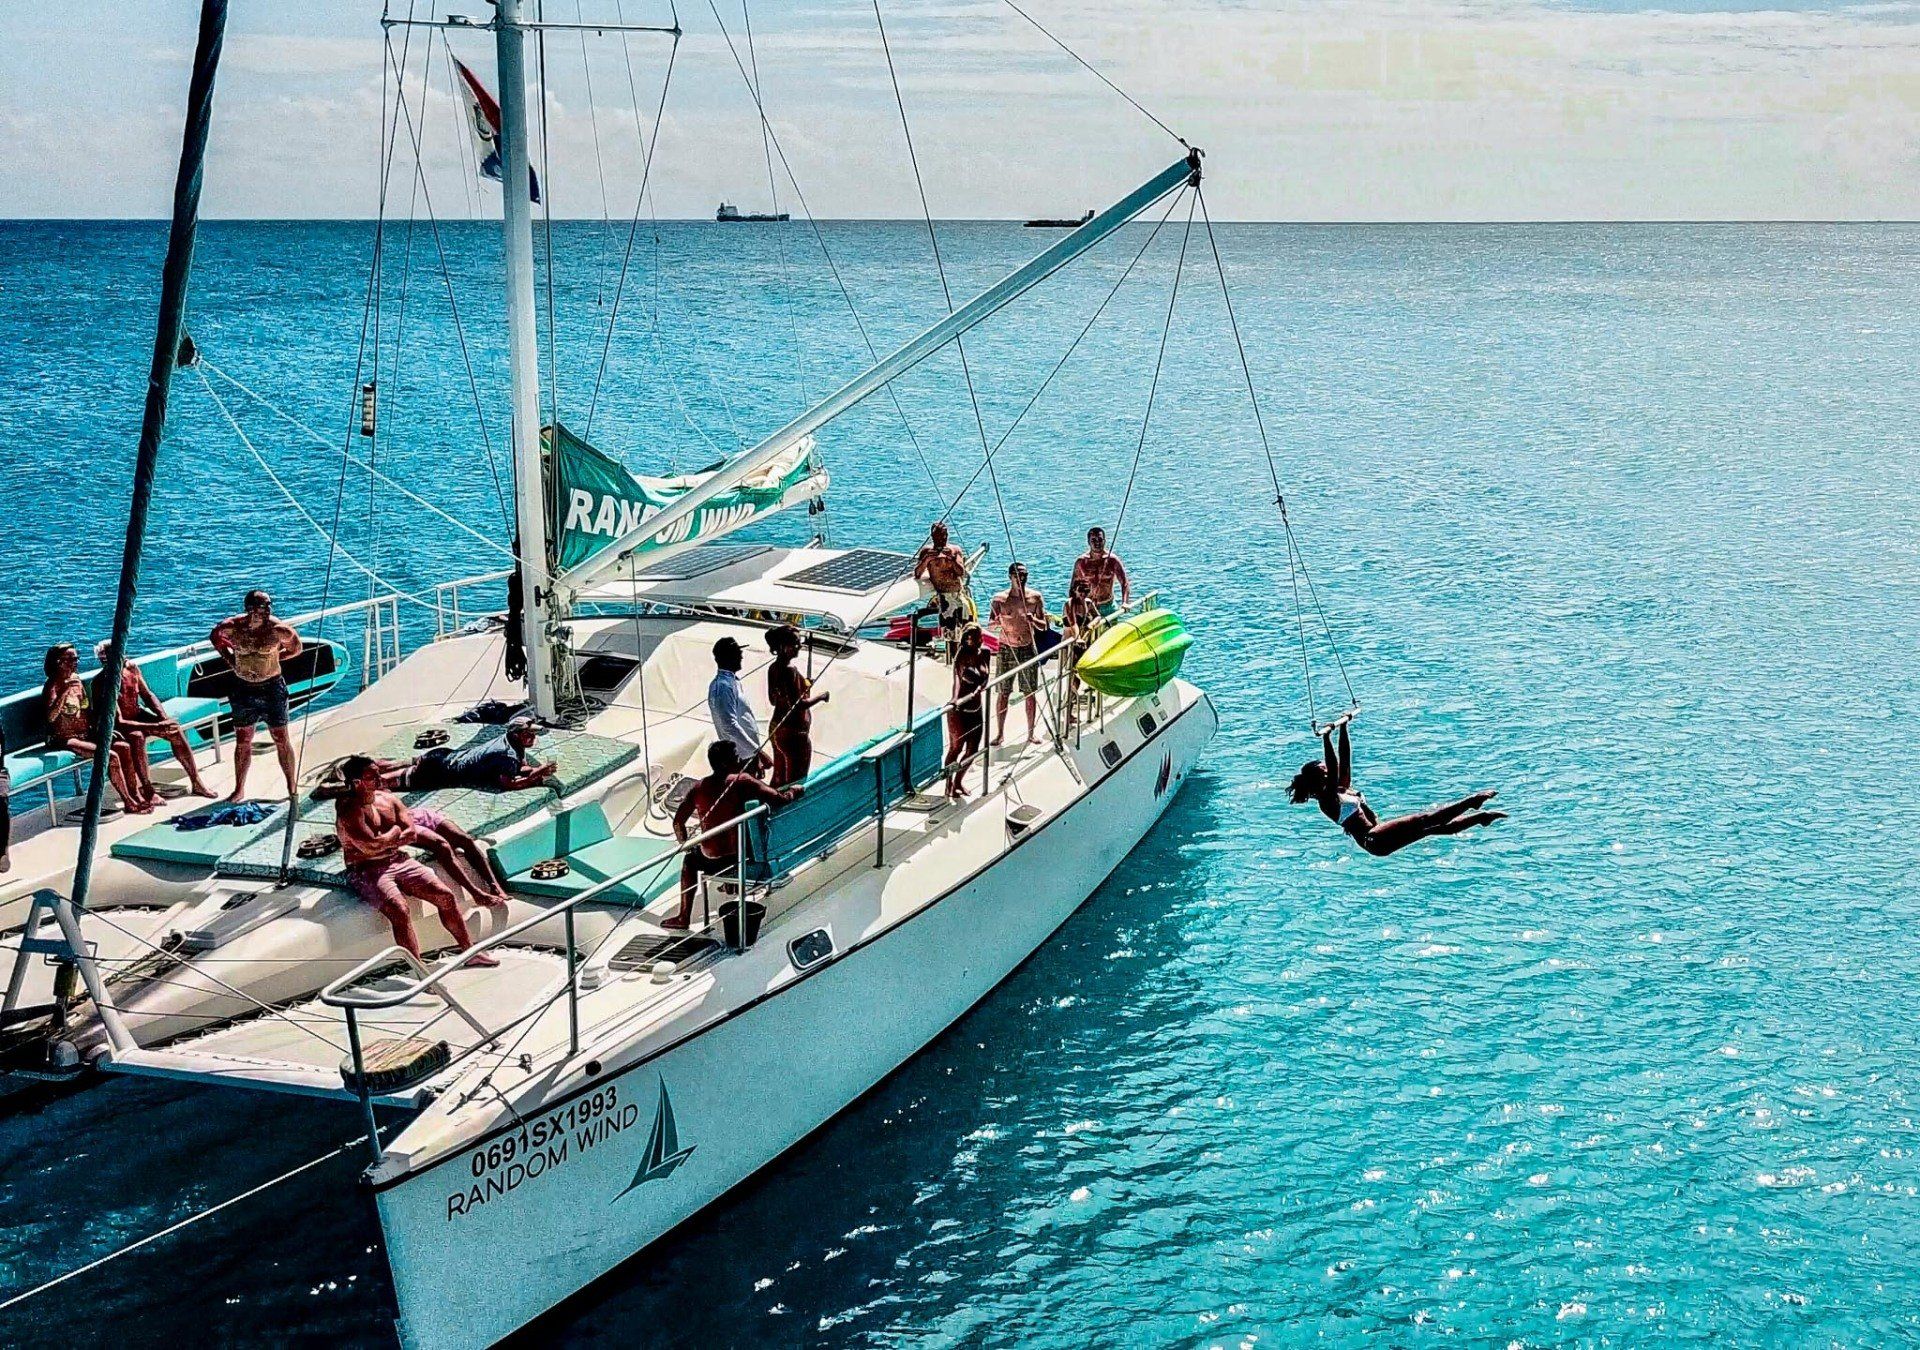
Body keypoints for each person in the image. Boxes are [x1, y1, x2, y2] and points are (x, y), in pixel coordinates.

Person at [333, 755, 498, 966]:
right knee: (399, 910)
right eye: (371, 776)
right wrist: (394, 833)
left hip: (398, 860)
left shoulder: (389, 800)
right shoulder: (348, 810)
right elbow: (370, 846)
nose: (378, 778)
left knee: (445, 896)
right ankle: (418, 967)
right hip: (366, 869)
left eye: (377, 772)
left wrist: (387, 839)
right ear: (356, 782)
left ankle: (469, 952)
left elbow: (410, 833)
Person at [1288, 716, 1504, 856]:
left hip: (1378, 837)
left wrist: (1343, 728)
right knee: (1424, 819)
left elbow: (1344, 760)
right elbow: (1334, 768)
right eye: (1324, 771)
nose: (1328, 771)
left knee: (1433, 828)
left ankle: (1479, 818)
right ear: (1319, 778)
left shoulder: (1341, 788)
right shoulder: (1326, 801)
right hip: (1373, 838)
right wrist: (1326, 738)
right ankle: (1472, 801)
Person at [666, 741, 801, 931]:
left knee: (689, 860)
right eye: (735, 756)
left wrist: (686, 844)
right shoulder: (742, 781)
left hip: (711, 860)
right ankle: (729, 887)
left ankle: (683, 916)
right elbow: (779, 799)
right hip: (741, 857)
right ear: (724, 763)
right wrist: (794, 791)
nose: (740, 759)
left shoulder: (698, 788)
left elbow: (678, 823)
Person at [209, 590, 302, 802]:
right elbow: (215, 638)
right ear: (250, 609)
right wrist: (231, 660)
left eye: (269, 605)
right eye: (263, 606)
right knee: (243, 739)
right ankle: (239, 789)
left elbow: (297, 648)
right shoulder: (232, 628)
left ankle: (291, 787)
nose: (268, 610)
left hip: (271, 688)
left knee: (280, 737)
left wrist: (275, 659)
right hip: (243, 688)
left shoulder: (278, 630)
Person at [93, 641, 214, 799]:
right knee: (137, 737)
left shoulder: (131, 669)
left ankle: (196, 781)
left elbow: (147, 695)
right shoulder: (104, 682)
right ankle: (147, 788)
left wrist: (163, 719)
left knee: (174, 730)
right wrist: (155, 725)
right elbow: (119, 721)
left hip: (138, 715)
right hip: (120, 726)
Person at [42, 643, 150, 814]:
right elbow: (50, 717)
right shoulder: (53, 685)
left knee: (124, 747)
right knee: (110, 756)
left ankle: (135, 793)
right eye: (70, 659)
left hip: (85, 734)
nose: (75, 662)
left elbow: (86, 711)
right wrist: (64, 691)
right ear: (58, 662)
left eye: (76, 659)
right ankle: (128, 801)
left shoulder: (76, 680)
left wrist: (102, 730)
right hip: (65, 738)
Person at [398, 716, 557, 793]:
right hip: (439, 771)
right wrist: (535, 776)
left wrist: (536, 770)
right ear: (516, 735)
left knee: (396, 765)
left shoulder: (507, 739)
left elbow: (519, 767)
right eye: (529, 734)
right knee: (387, 782)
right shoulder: (506, 756)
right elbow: (509, 784)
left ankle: (374, 765)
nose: (534, 737)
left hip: (441, 755)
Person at [988, 562, 1045, 746]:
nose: (1021, 578)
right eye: (1017, 575)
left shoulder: (1035, 598)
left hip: (1027, 647)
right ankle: (1000, 733)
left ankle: (1031, 733)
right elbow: (990, 624)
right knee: (1003, 692)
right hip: (1006, 648)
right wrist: (997, 621)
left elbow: (1044, 626)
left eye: (1024, 575)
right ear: (1010, 576)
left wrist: (1033, 619)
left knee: (1030, 692)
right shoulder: (999, 599)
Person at [765, 624, 828, 788]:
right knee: (796, 780)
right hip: (794, 734)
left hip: (776, 729)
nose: (799, 646)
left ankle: (770, 806)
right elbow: (799, 704)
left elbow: (774, 700)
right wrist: (821, 696)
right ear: (782, 647)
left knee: (779, 777)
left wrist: (803, 686)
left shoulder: (773, 668)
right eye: (795, 643)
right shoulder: (790, 670)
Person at [707, 636, 770, 775]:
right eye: (737, 652)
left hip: (747, 755)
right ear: (728, 657)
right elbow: (729, 725)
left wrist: (754, 756)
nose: (741, 656)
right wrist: (758, 752)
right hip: (740, 758)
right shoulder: (723, 686)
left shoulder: (732, 682)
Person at [943, 624, 991, 800]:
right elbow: (956, 677)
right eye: (968, 639)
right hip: (960, 710)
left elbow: (987, 677)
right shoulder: (962, 655)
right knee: (956, 748)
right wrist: (955, 698)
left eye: (975, 638)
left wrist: (980, 687)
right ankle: (948, 784)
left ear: (980, 638)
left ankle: (958, 781)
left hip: (976, 708)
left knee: (973, 749)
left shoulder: (985, 653)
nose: (971, 642)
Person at [912, 521, 974, 655]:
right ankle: (953, 661)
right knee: (951, 635)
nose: (942, 539)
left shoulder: (955, 550)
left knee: (967, 631)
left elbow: (961, 572)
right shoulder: (926, 552)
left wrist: (951, 559)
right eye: (939, 536)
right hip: (945, 598)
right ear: (933, 537)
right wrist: (927, 559)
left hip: (958, 594)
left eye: (944, 536)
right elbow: (917, 573)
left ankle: (966, 658)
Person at [1060, 576, 1101, 726]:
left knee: (1079, 678)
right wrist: (1077, 638)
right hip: (1070, 645)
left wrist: (1092, 624)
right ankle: (1068, 710)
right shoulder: (1069, 604)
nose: (1083, 594)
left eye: (1086, 591)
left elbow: (1098, 616)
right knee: (1072, 679)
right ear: (1074, 590)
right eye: (1080, 591)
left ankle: (1071, 708)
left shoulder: (1089, 604)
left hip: (1084, 644)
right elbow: (1073, 623)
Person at [1070, 525, 1131, 617]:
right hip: (1088, 608)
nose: (1097, 543)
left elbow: (1124, 583)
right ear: (1088, 542)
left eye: (1100, 539)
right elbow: (1073, 587)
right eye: (1093, 540)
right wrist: (1072, 607)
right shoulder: (1081, 562)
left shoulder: (1113, 560)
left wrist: (1125, 602)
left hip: (1108, 607)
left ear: (1104, 541)